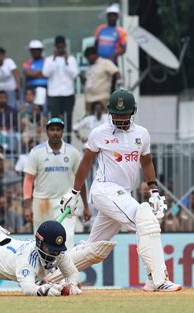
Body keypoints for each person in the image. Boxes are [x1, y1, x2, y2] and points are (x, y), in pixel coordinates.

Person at [59, 89, 182, 292]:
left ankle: (53, 277)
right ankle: (158, 279)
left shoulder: (141, 134)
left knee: (94, 249)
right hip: (104, 190)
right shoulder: (99, 133)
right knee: (146, 220)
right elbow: (85, 164)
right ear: (110, 112)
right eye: (116, 114)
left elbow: (147, 162)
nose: (120, 118)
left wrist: (154, 191)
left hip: (122, 195)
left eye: (125, 114)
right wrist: (73, 193)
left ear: (133, 112)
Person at [23, 118, 90, 249]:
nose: (55, 133)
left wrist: (86, 206)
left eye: (58, 130)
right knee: (41, 241)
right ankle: (43, 269)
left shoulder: (73, 152)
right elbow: (28, 179)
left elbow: (81, 180)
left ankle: (64, 270)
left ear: (62, 132)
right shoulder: (36, 152)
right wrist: (27, 206)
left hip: (65, 203)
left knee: (67, 238)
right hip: (42, 203)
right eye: (52, 129)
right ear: (47, 132)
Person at [42, 36, 78, 142]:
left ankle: (68, 141)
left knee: (68, 119)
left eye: (62, 46)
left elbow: (74, 74)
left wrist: (66, 61)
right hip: (54, 94)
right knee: (54, 120)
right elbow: (45, 73)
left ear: (65, 46)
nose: (61, 49)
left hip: (68, 93)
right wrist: (54, 59)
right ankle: (55, 141)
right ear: (55, 47)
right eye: (59, 47)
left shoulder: (71, 59)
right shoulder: (49, 59)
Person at [83, 46, 120, 114]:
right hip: (89, 100)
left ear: (94, 54)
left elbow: (116, 72)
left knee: (103, 121)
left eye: (88, 57)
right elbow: (87, 82)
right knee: (91, 122)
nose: (88, 59)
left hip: (102, 99)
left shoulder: (105, 63)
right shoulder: (89, 67)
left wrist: (119, 83)